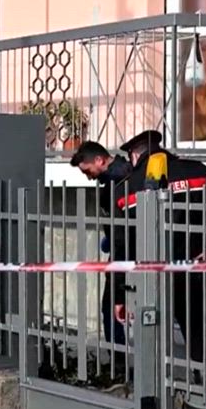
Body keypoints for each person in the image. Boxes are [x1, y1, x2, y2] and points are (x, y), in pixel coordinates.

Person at [115, 130, 206, 409]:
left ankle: (151, 396)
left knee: (149, 332)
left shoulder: (127, 188)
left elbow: (121, 245)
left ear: (135, 155)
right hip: (190, 268)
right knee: (196, 333)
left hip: (148, 275)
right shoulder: (196, 171)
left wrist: (119, 292)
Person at [69, 141, 132, 369]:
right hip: (121, 250)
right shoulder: (114, 180)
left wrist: (114, 244)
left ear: (99, 160)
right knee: (112, 309)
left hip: (127, 254)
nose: (88, 178)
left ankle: (120, 365)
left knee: (114, 308)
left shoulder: (121, 181)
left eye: (88, 171)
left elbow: (123, 229)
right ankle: (118, 363)